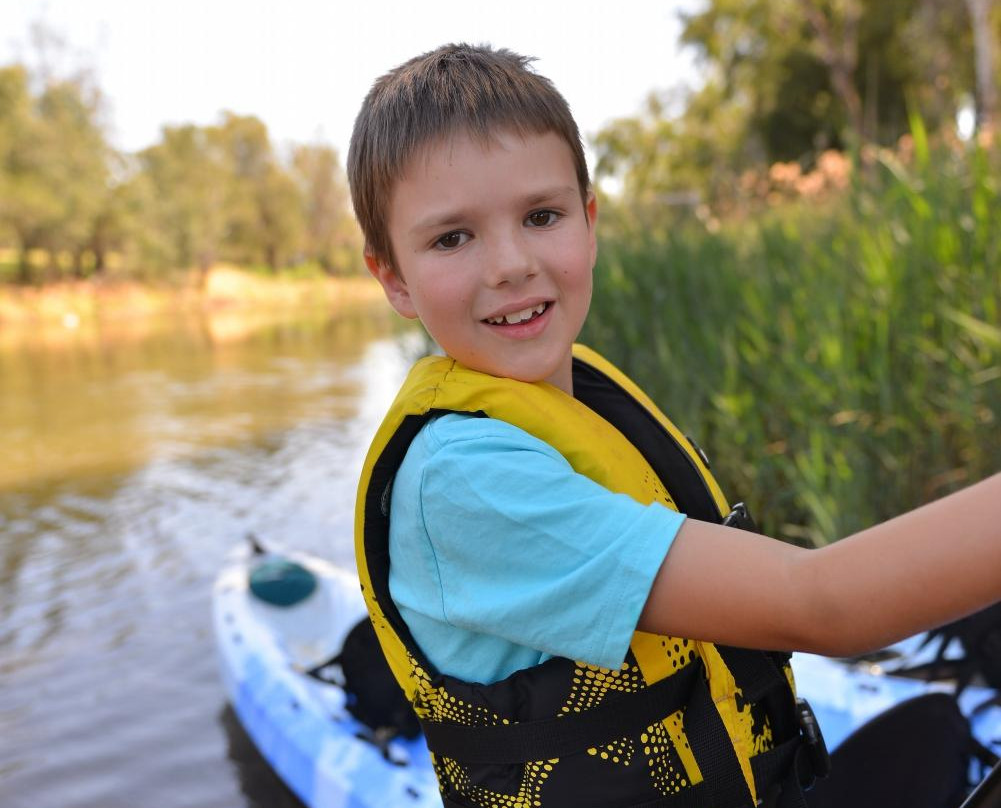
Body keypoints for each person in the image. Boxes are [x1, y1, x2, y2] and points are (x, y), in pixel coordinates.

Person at [348, 43, 1001, 808]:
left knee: (924, 738)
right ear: (392, 276)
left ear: (588, 224)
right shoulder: (466, 484)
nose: (509, 264)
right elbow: (823, 605)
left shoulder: (575, 402)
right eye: (451, 237)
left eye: (541, 216)